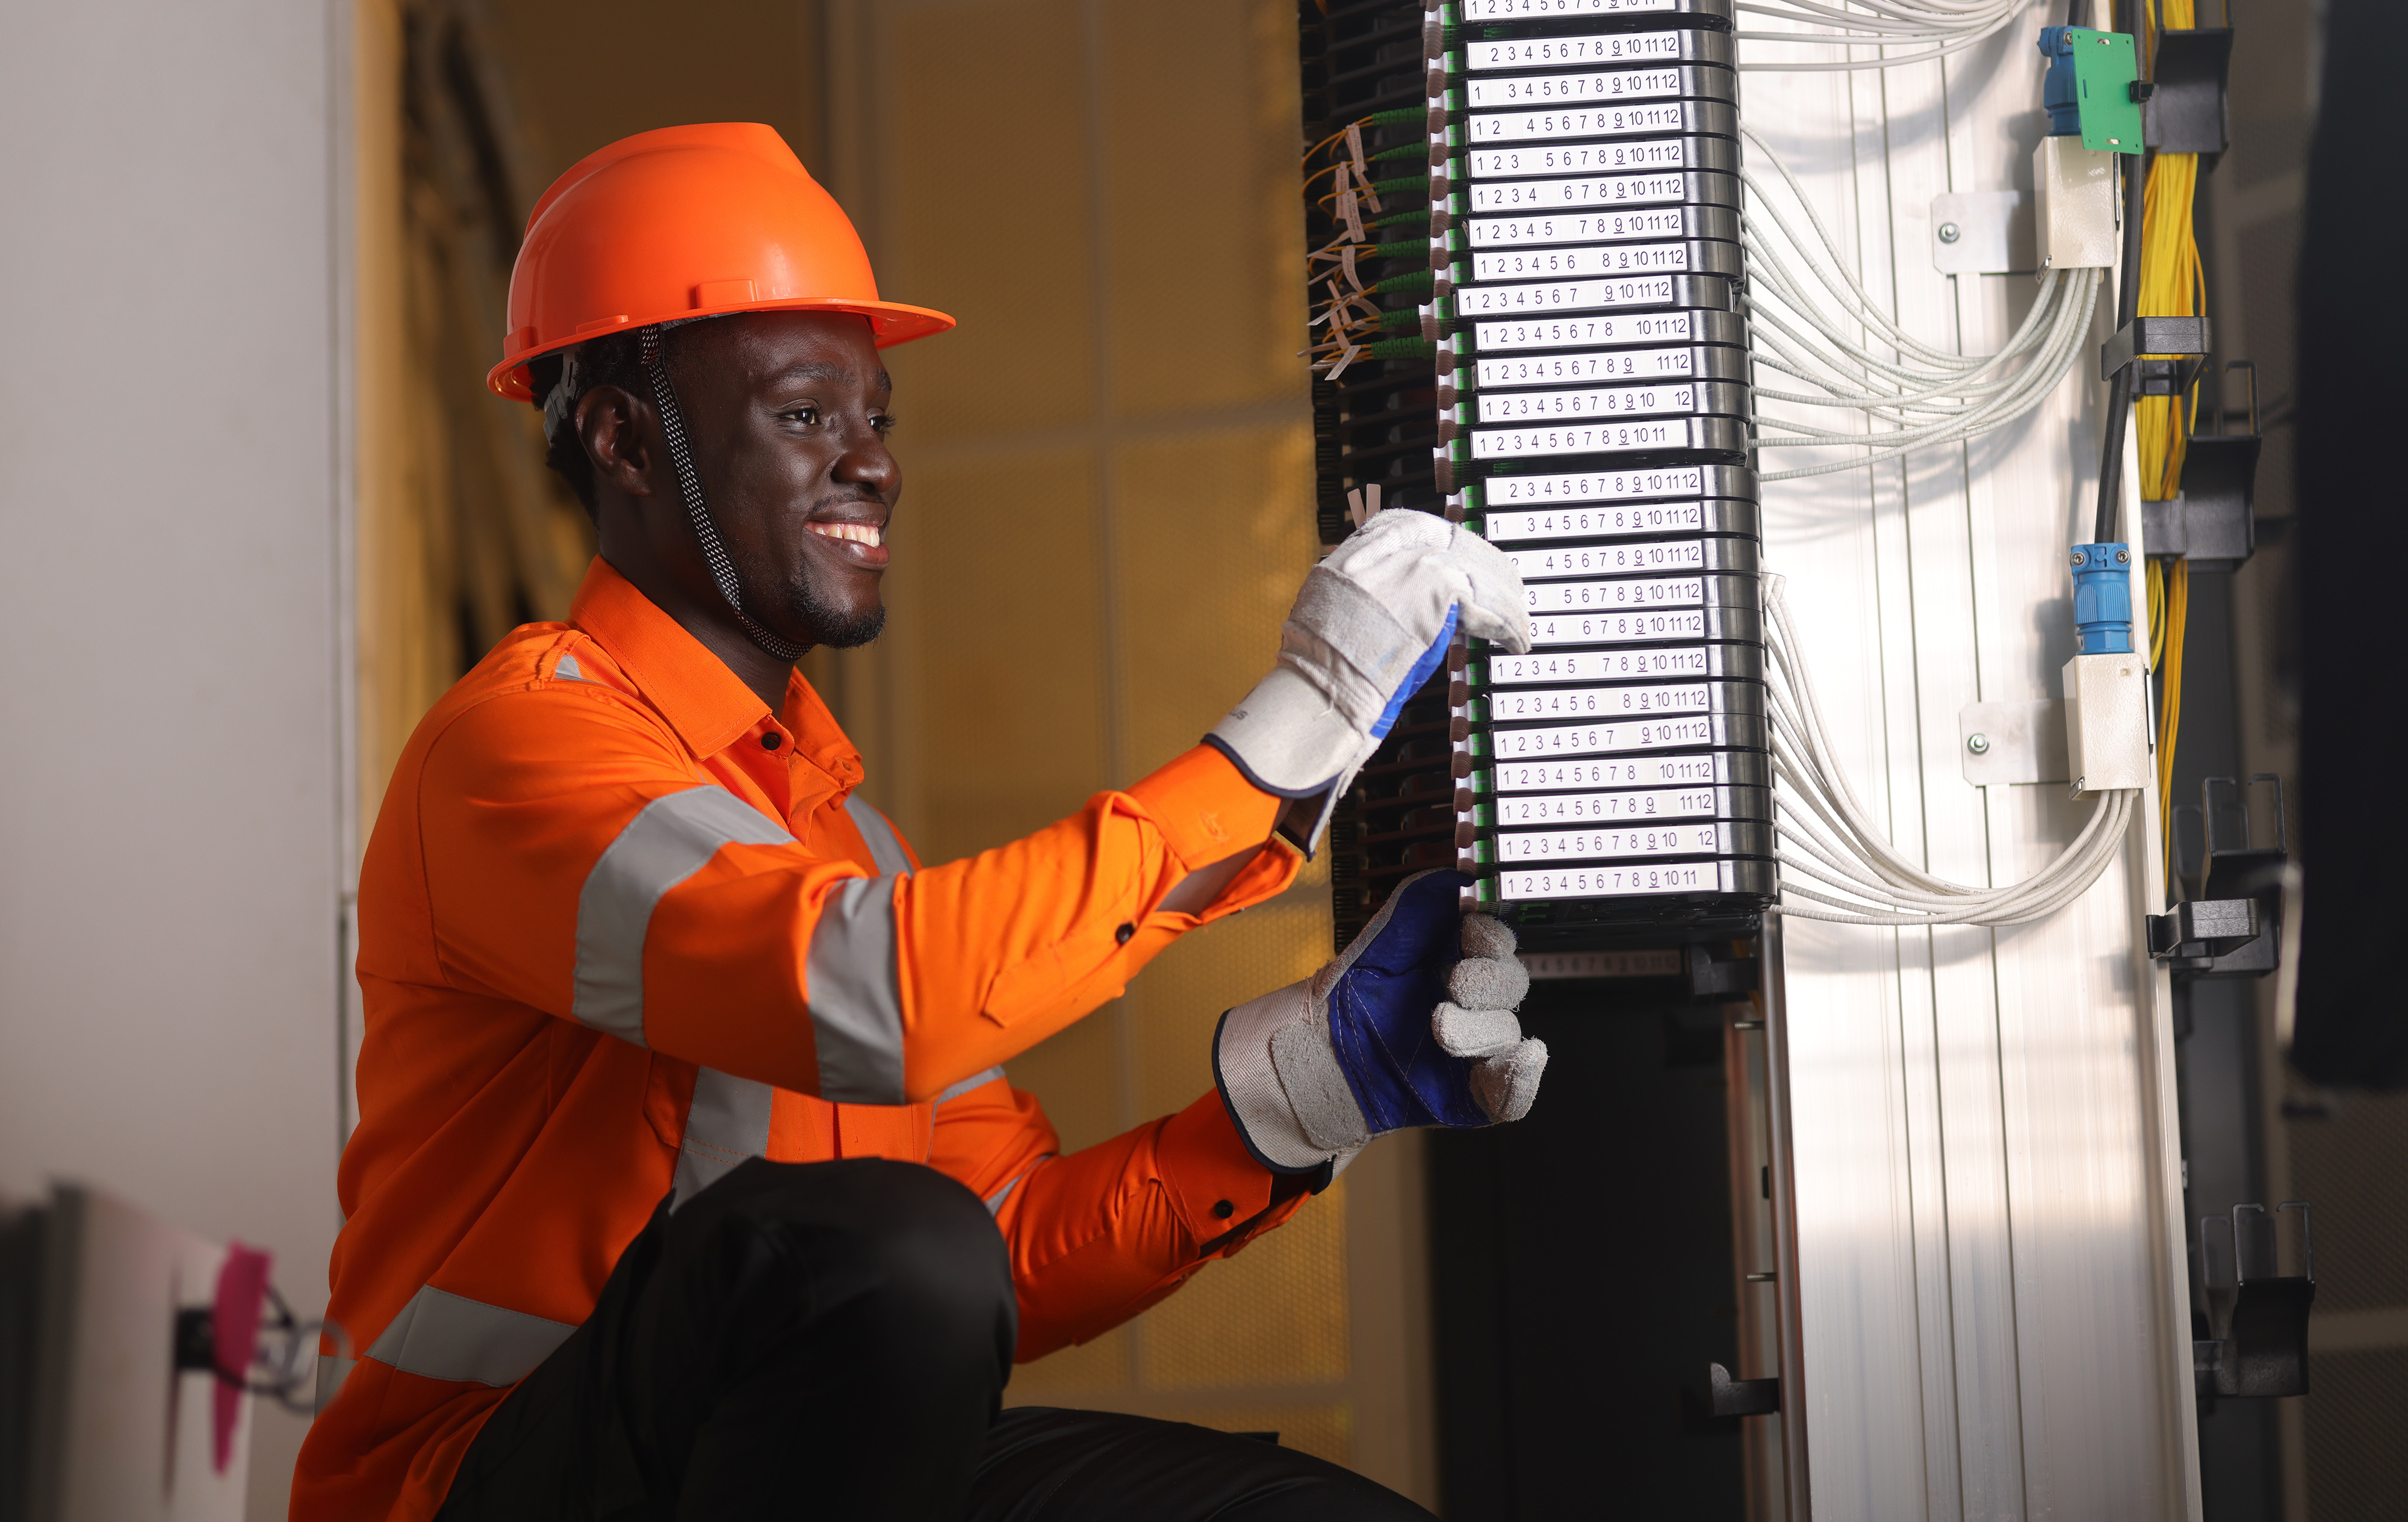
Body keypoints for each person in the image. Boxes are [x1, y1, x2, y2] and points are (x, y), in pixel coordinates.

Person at [292, 123, 1549, 1522]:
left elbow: (999, 1251)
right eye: (804, 414)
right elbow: (869, 1002)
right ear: (624, 439)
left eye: (876, 416)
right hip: (477, 1489)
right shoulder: (517, 746)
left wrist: (1298, 1097)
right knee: (882, 1247)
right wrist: (1295, 726)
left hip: (770, 1477)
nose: (873, 464)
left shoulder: (850, 853)